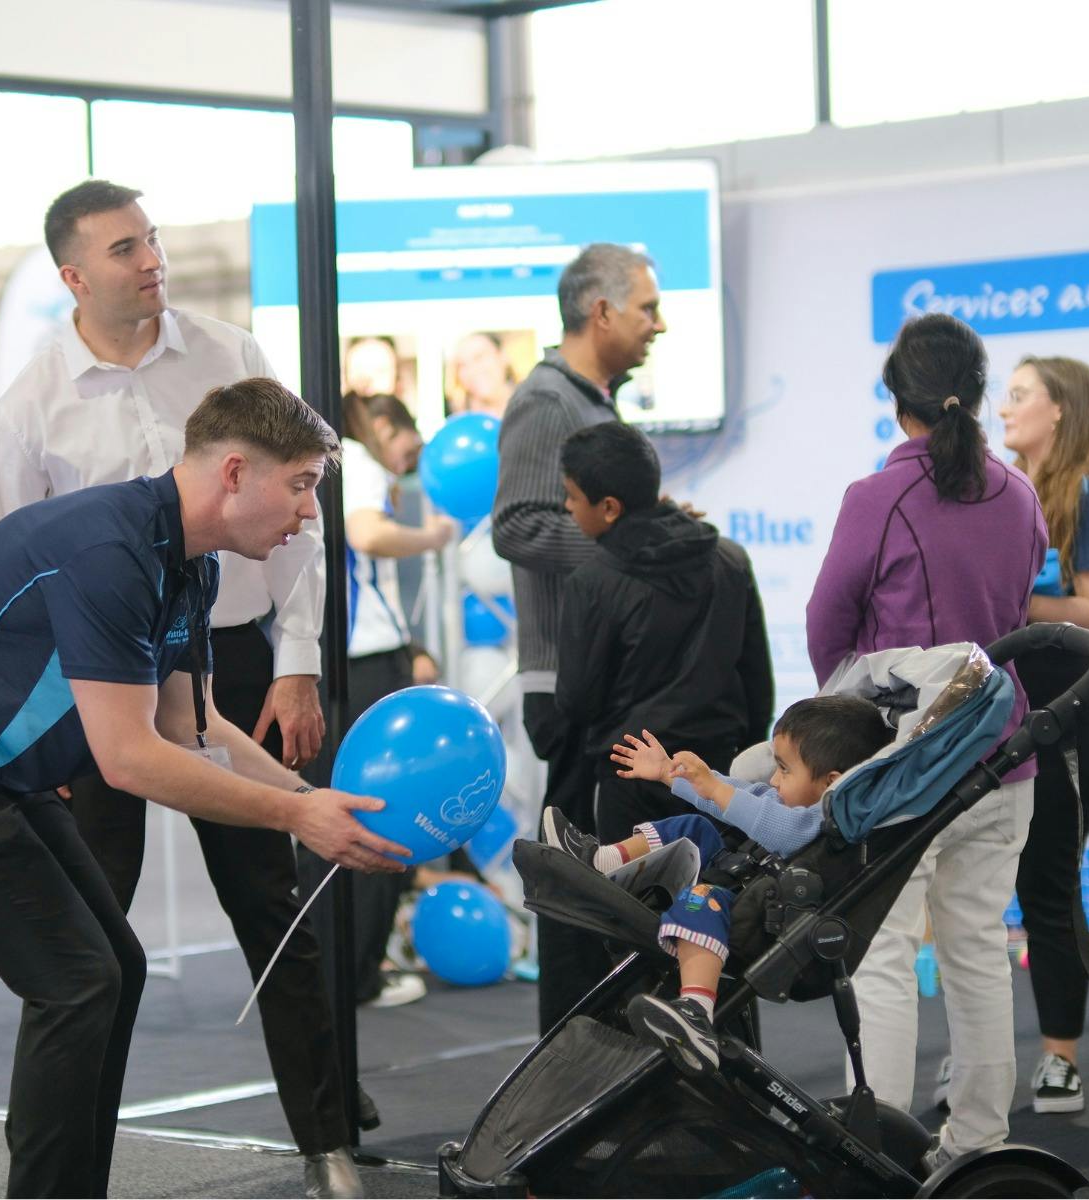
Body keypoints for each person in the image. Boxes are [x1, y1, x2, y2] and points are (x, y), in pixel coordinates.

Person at [0, 380, 408, 1200]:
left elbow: (189, 721)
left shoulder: (189, 561)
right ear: (235, 472)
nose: (311, 514)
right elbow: (129, 760)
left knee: (114, 968)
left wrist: (309, 794)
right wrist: (297, 816)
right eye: (304, 484)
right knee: (76, 981)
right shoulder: (111, 550)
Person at [0, 180, 363, 1196]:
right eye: (122, 248)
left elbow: (302, 509)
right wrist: (27, 741)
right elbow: (3, 566)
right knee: (89, 943)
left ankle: (328, 1143)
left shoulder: (229, 354)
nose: (150, 260)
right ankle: (68, 1166)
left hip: (225, 654)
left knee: (273, 910)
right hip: (92, 680)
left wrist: (295, 661)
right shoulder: (32, 399)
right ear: (72, 274)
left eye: (151, 240)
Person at [806, 312, 1047, 1167]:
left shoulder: (878, 497)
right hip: (1004, 754)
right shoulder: (1019, 494)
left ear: (895, 397)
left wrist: (862, 724)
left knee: (883, 955)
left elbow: (827, 628)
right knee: (979, 948)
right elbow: (1016, 610)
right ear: (976, 393)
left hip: (907, 766)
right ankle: (978, 1146)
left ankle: (875, 1151)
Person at [492, 241, 667, 1036]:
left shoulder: (592, 400)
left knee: (611, 879)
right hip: (567, 682)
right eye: (647, 310)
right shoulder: (546, 402)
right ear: (600, 313)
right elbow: (518, 526)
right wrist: (623, 546)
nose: (658, 326)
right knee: (577, 888)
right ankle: (568, 1057)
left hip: (608, 680)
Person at [545, 697, 893, 1076]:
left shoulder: (819, 822)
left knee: (700, 899)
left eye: (784, 770)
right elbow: (746, 797)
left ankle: (696, 1013)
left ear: (832, 781)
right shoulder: (791, 802)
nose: (774, 780)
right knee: (694, 827)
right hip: (746, 879)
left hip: (766, 915)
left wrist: (711, 785)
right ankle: (602, 860)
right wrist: (670, 774)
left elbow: (775, 827)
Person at [999, 355, 1089, 1115]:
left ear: (1060, 412)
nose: (1004, 409)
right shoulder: (1002, 493)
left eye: (1019, 397)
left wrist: (1021, 604)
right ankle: (981, 1056)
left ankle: (1060, 1059)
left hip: (1069, 718)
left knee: (1046, 887)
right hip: (998, 714)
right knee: (977, 896)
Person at [298, 391, 453, 1011]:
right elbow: (367, 535)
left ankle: (343, 968)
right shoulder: (353, 462)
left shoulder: (328, 465)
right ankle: (356, 972)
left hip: (338, 661)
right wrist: (432, 536)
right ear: (381, 424)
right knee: (377, 818)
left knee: (336, 814)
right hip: (361, 665)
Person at [553, 421, 773, 845]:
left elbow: (578, 700)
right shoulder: (730, 559)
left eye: (573, 496)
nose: (567, 506)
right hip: (718, 773)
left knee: (634, 903)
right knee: (714, 901)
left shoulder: (593, 582)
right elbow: (757, 681)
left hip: (631, 775)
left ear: (610, 508)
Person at [447, 332, 517, 417]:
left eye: (479, 357)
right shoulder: (458, 419)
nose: (471, 370)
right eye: (462, 365)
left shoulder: (533, 406)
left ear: (502, 356)